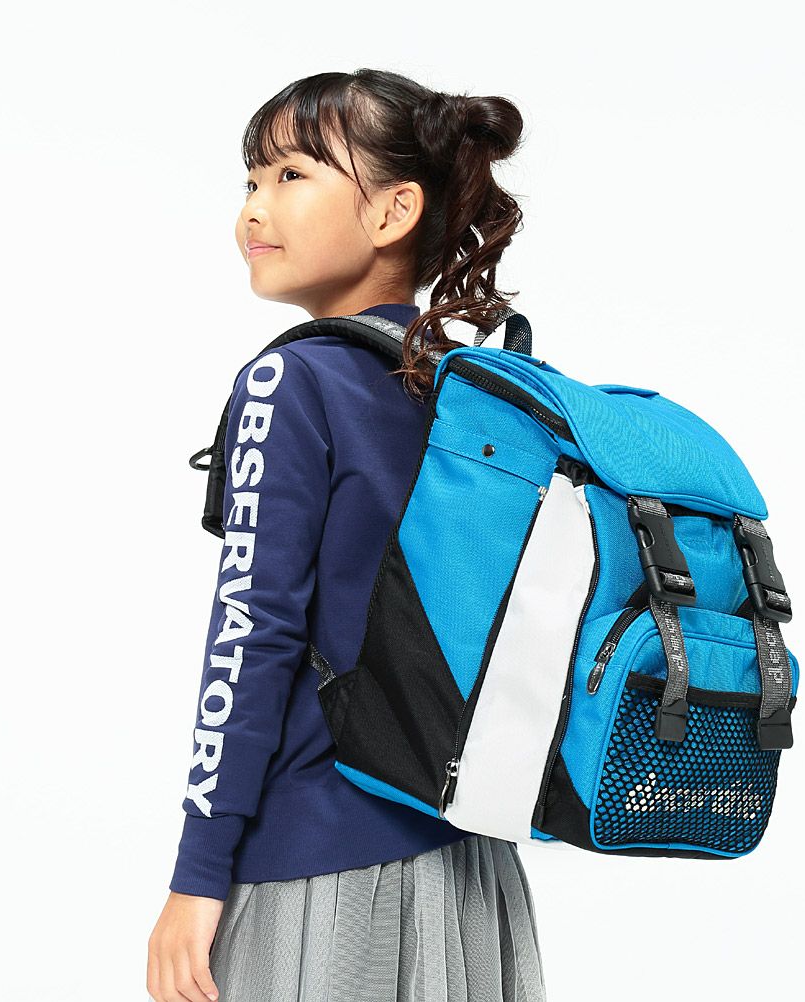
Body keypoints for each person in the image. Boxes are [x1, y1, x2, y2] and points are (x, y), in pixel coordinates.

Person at [146, 68, 547, 1002]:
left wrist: (198, 873)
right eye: (251, 180)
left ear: (394, 210)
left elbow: (252, 635)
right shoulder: (474, 394)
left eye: (292, 175)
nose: (254, 209)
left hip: (316, 865)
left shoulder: (290, 383)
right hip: (472, 870)